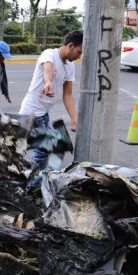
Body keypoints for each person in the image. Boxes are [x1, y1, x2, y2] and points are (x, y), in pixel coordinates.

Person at [19, 30, 83, 176]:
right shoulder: (49, 54)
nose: (79, 56)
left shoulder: (70, 66)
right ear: (71, 46)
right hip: (31, 113)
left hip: (43, 115)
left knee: (53, 149)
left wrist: (74, 118)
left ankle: (36, 182)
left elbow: (67, 94)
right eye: (79, 52)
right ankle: (26, 181)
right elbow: (47, 68)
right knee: (43, 151)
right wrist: (47, 81)